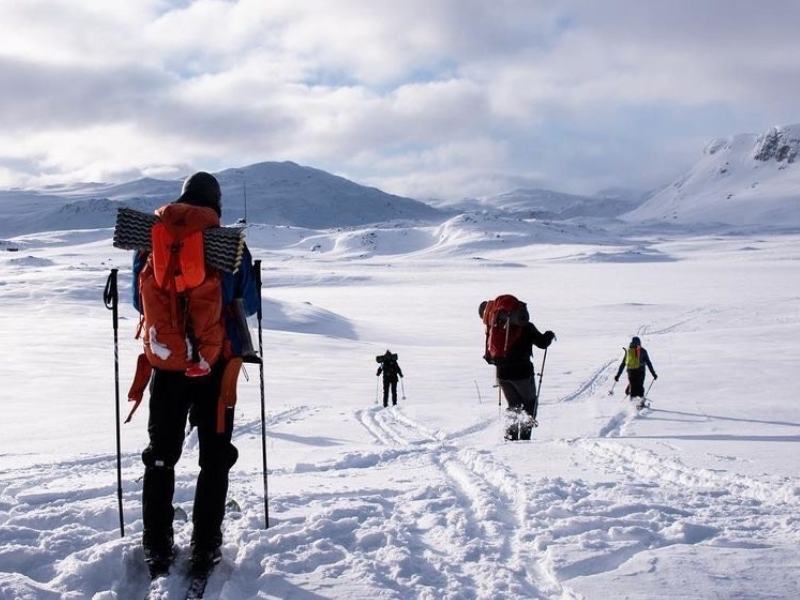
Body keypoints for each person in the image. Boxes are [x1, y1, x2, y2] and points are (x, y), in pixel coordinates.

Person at [132, 172, 260, 578]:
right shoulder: (227, 242)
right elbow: (249, 304)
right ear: (216, 205)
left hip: (167, 364)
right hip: (214, 366)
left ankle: (156, 544)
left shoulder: (153, 238)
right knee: (215, 459)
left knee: (161, 457)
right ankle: (205, 547)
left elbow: (139, 300)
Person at [479, 299, 555, 441]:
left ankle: (511, 436)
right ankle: (525, 438)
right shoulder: (526, 327)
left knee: (513, 405)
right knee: (530, 403)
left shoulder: (496, 325)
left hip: (502, 374)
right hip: (522, 374)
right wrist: (549, 335)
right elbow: (542, 343)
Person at [614, 336, 657, 409]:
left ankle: (632, 405)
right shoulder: (643, 351)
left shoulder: (628, 351)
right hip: (641, 371)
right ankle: (640, 404)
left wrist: (618, 375)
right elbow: (648, 362)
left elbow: (623, 363)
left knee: (633, 387)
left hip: (630, 371)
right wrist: (653, 374)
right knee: (640, 387)